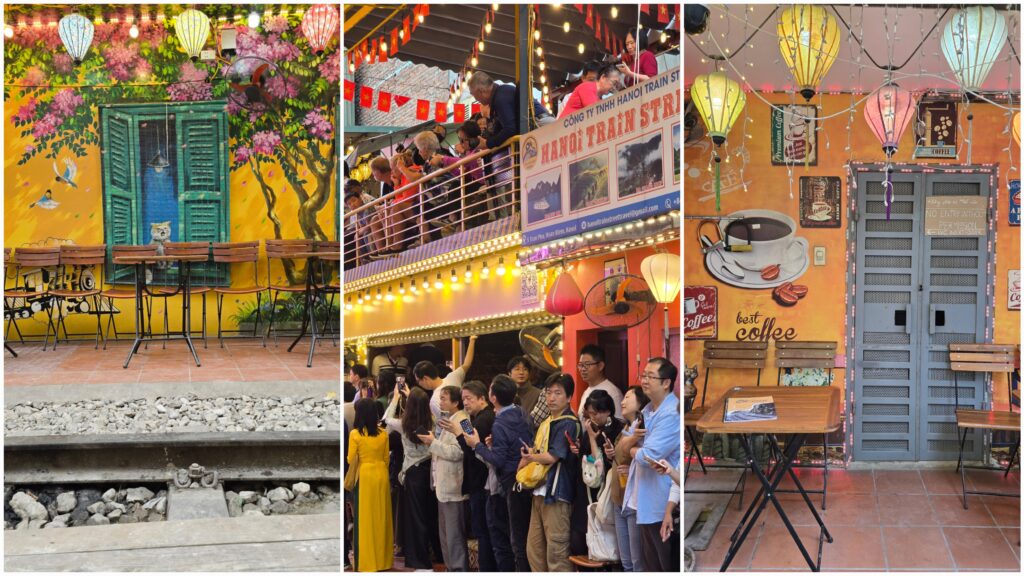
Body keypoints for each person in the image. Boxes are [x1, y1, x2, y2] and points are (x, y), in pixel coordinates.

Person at [463, 375, 533, 572]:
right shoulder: (521, 413)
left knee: (506, 539)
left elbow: (498, 460)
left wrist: (476, 444)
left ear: (488, 397)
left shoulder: (497, 422)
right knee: (515, 537)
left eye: (469, 398)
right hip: (522, 479)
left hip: (505, 483)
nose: (465, 402)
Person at [618, 358, 680, 571]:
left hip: (660, 504)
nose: (644, 380)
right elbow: (621, 448)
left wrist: (632, 448)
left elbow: (649, 457)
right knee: (650, 565)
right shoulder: (646, 411)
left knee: (663, 566)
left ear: (666, 383)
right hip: (643, 501)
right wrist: (631, 447)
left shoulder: (672, 414)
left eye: (650, 376)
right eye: (643, 375)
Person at [523, 373, 581, 572]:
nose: (552, 398)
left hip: (557, 495)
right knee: (534, 550)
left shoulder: (568, 422)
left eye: (558, 393)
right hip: (539, 492)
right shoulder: (547, 421)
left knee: (557, 554)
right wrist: (532, 453)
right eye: (549, 393)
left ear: (569, 397)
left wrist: (530, 457)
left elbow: (552, 456)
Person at [439, 380, 497, 571]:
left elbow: (467, 448)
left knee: (482, 532)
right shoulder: (470, 418)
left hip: (479, 483)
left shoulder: (477, 419)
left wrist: (456, 432)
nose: (465, 402)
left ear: (482, 399)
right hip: (475, 483)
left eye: (469, 398)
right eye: (464, 398)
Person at [383, 386, 442, 569]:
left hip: (413, 473)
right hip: (432, 472)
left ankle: (420, 561)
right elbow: (426, 408)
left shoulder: (403, 425)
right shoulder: (432, 421)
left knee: (416, 518)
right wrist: (413, 396)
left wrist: (395, 398)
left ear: (409, 406)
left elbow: (384, 419)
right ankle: (439, 555)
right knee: (432, 515)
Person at [417, 386, 469, 571]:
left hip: (454, 485)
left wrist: (433, 443)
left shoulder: (464, 421)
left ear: (456, 402)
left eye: (445, 398)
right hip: (442, 483)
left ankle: (458, 569)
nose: (441, 402)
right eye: (440, 398)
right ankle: (449, 567)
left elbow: (461, 451)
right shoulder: (448, 419)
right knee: (445, 534)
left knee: (454, 535)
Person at [570, 389, 625, 555]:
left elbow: (601, 466)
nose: (592, 417)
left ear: (607, 411)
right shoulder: (590, 428)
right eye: (589, 413)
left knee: (604, 541)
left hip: (604, 492)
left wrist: (593, 440)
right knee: (578, 540)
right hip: (585, 490)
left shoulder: (617, 429)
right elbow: (587, 459)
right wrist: (579, 449)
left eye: (595, 413)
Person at [348, 398, 393, 571]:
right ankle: (383, 560)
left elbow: (351, 459)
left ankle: (367, 562)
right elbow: (386, 459)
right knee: (382, 517)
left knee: (365, 519)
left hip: (364, 475)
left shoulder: (355, 434)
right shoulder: (383, 434)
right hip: (381, 474)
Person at [613, 386, 650, 571]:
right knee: (626, 562)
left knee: (637, 563)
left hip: (633, 498)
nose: (622, 401)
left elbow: (644, 456)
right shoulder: (626, 427)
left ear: (640, 402)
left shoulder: (641, 427)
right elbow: (621, 455)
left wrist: (631, 462)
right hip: (619, 496)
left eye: (628, 397)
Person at [413, 334, 477, 418]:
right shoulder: (452, 377)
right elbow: (467, 364)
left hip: (454, 429)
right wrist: (472, 340)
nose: (419, 384)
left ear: (425, 378)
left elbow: (445, 422)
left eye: (418, 381)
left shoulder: (435, 399)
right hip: (465, 421)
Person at [557, 64, 622, 119]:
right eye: (614, 83)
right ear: (603, 77)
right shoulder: (587, 86)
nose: (614, 87)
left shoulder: (599, 98)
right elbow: (595, 114)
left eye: (616, 85)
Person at [577, 344, 624, 419]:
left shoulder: (612, 392)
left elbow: (619, 424)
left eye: (587, 364)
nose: (582, 369)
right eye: (580, 365)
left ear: (600, 366)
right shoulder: (586, 391)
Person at [507, 356, 549, 430]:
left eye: (525, 369)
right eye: (517, 369)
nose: (521, 372)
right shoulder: (506, 394)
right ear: (509, 373)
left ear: (529, 373)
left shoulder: (539, 394)